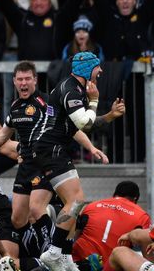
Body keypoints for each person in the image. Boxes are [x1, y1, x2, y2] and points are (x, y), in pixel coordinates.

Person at [34, 52, 115, 271]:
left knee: (72, 204)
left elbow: (75, 126)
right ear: (88, 69)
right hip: (51, 149)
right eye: (97, 67)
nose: (101, 71)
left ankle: (66, 257)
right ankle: (54, 252)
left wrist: (92, 145)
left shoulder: (74, 87)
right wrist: (96, 100)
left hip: (53, 149)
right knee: (76, 201)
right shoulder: (71, 90)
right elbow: (84, 122)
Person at [0, 62, 55, 258]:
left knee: (36, 210)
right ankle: (34, 249)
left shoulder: (47, 103)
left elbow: (62, 129)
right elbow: (3, 139)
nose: (24, 83)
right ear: (14, 82)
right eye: (20, 79)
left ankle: (53, 253)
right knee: (18, 219)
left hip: (43, 165)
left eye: (28, 78)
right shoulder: (16, 106)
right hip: (25, 166)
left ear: (35, 80)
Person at [72, 181, 150, 270]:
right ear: (135, 199)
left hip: (79, 262)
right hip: (110, 266)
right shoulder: (142, 216)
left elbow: (75, 235)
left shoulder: (92, 205)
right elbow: (147, 251)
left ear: (115, 194)